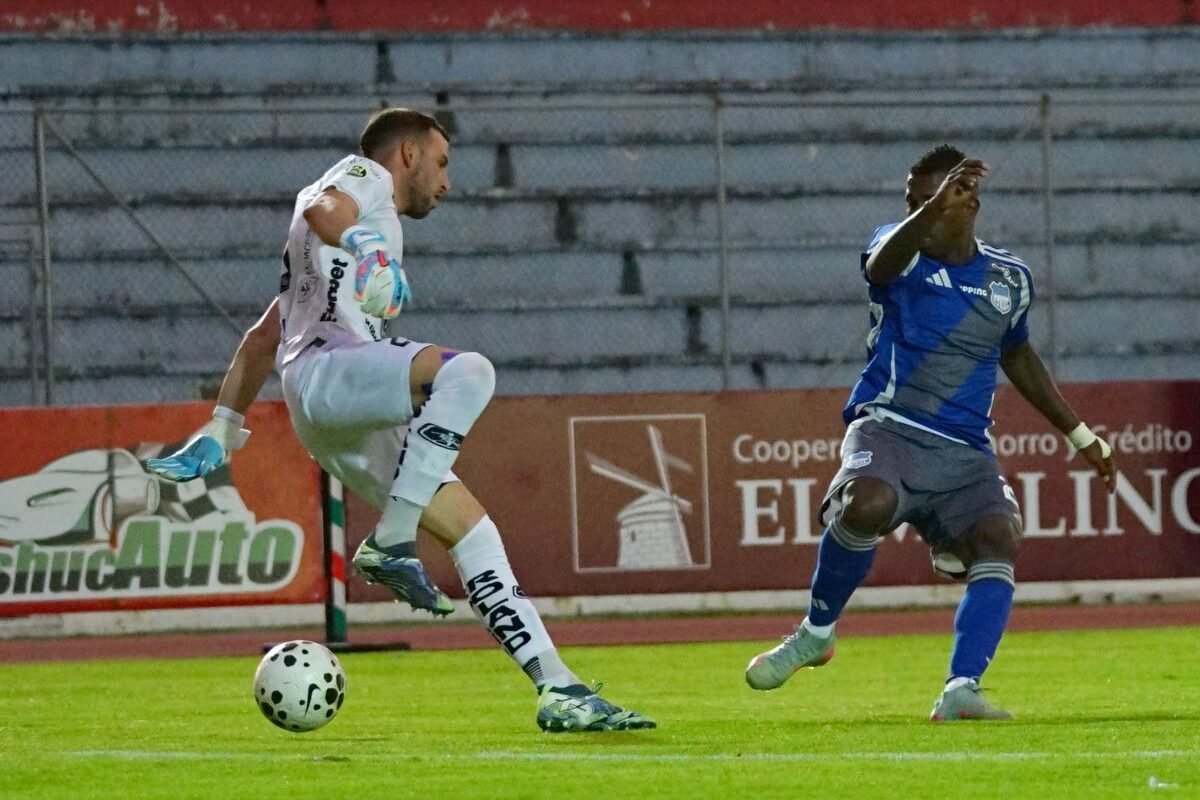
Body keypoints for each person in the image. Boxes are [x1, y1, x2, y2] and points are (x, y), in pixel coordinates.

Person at [148, 107, 654, 733]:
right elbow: (322, 208)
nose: (446, 181)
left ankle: (561, 690)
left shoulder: (322, 246)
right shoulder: (363, 180)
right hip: (332, 371)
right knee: (469, 373)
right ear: (408, 154)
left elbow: (264, 333)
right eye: (441, 163)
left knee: (474, 533)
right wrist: (367, 248)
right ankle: (391, 539)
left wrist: (224, 424)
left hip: (327, 402)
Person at [744, 144, 1116, 721]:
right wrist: (925, 212)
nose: (915, 210)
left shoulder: (1009, 279)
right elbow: (878, 268)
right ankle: (816, 634)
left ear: (967, 205)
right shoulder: (900, 251)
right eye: (913, 200)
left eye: (932, 200)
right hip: (887, 426)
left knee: (999, 538)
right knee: (867, 503)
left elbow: (1017, 357)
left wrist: (1080, 435)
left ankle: (961, 687)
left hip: (964, 448)